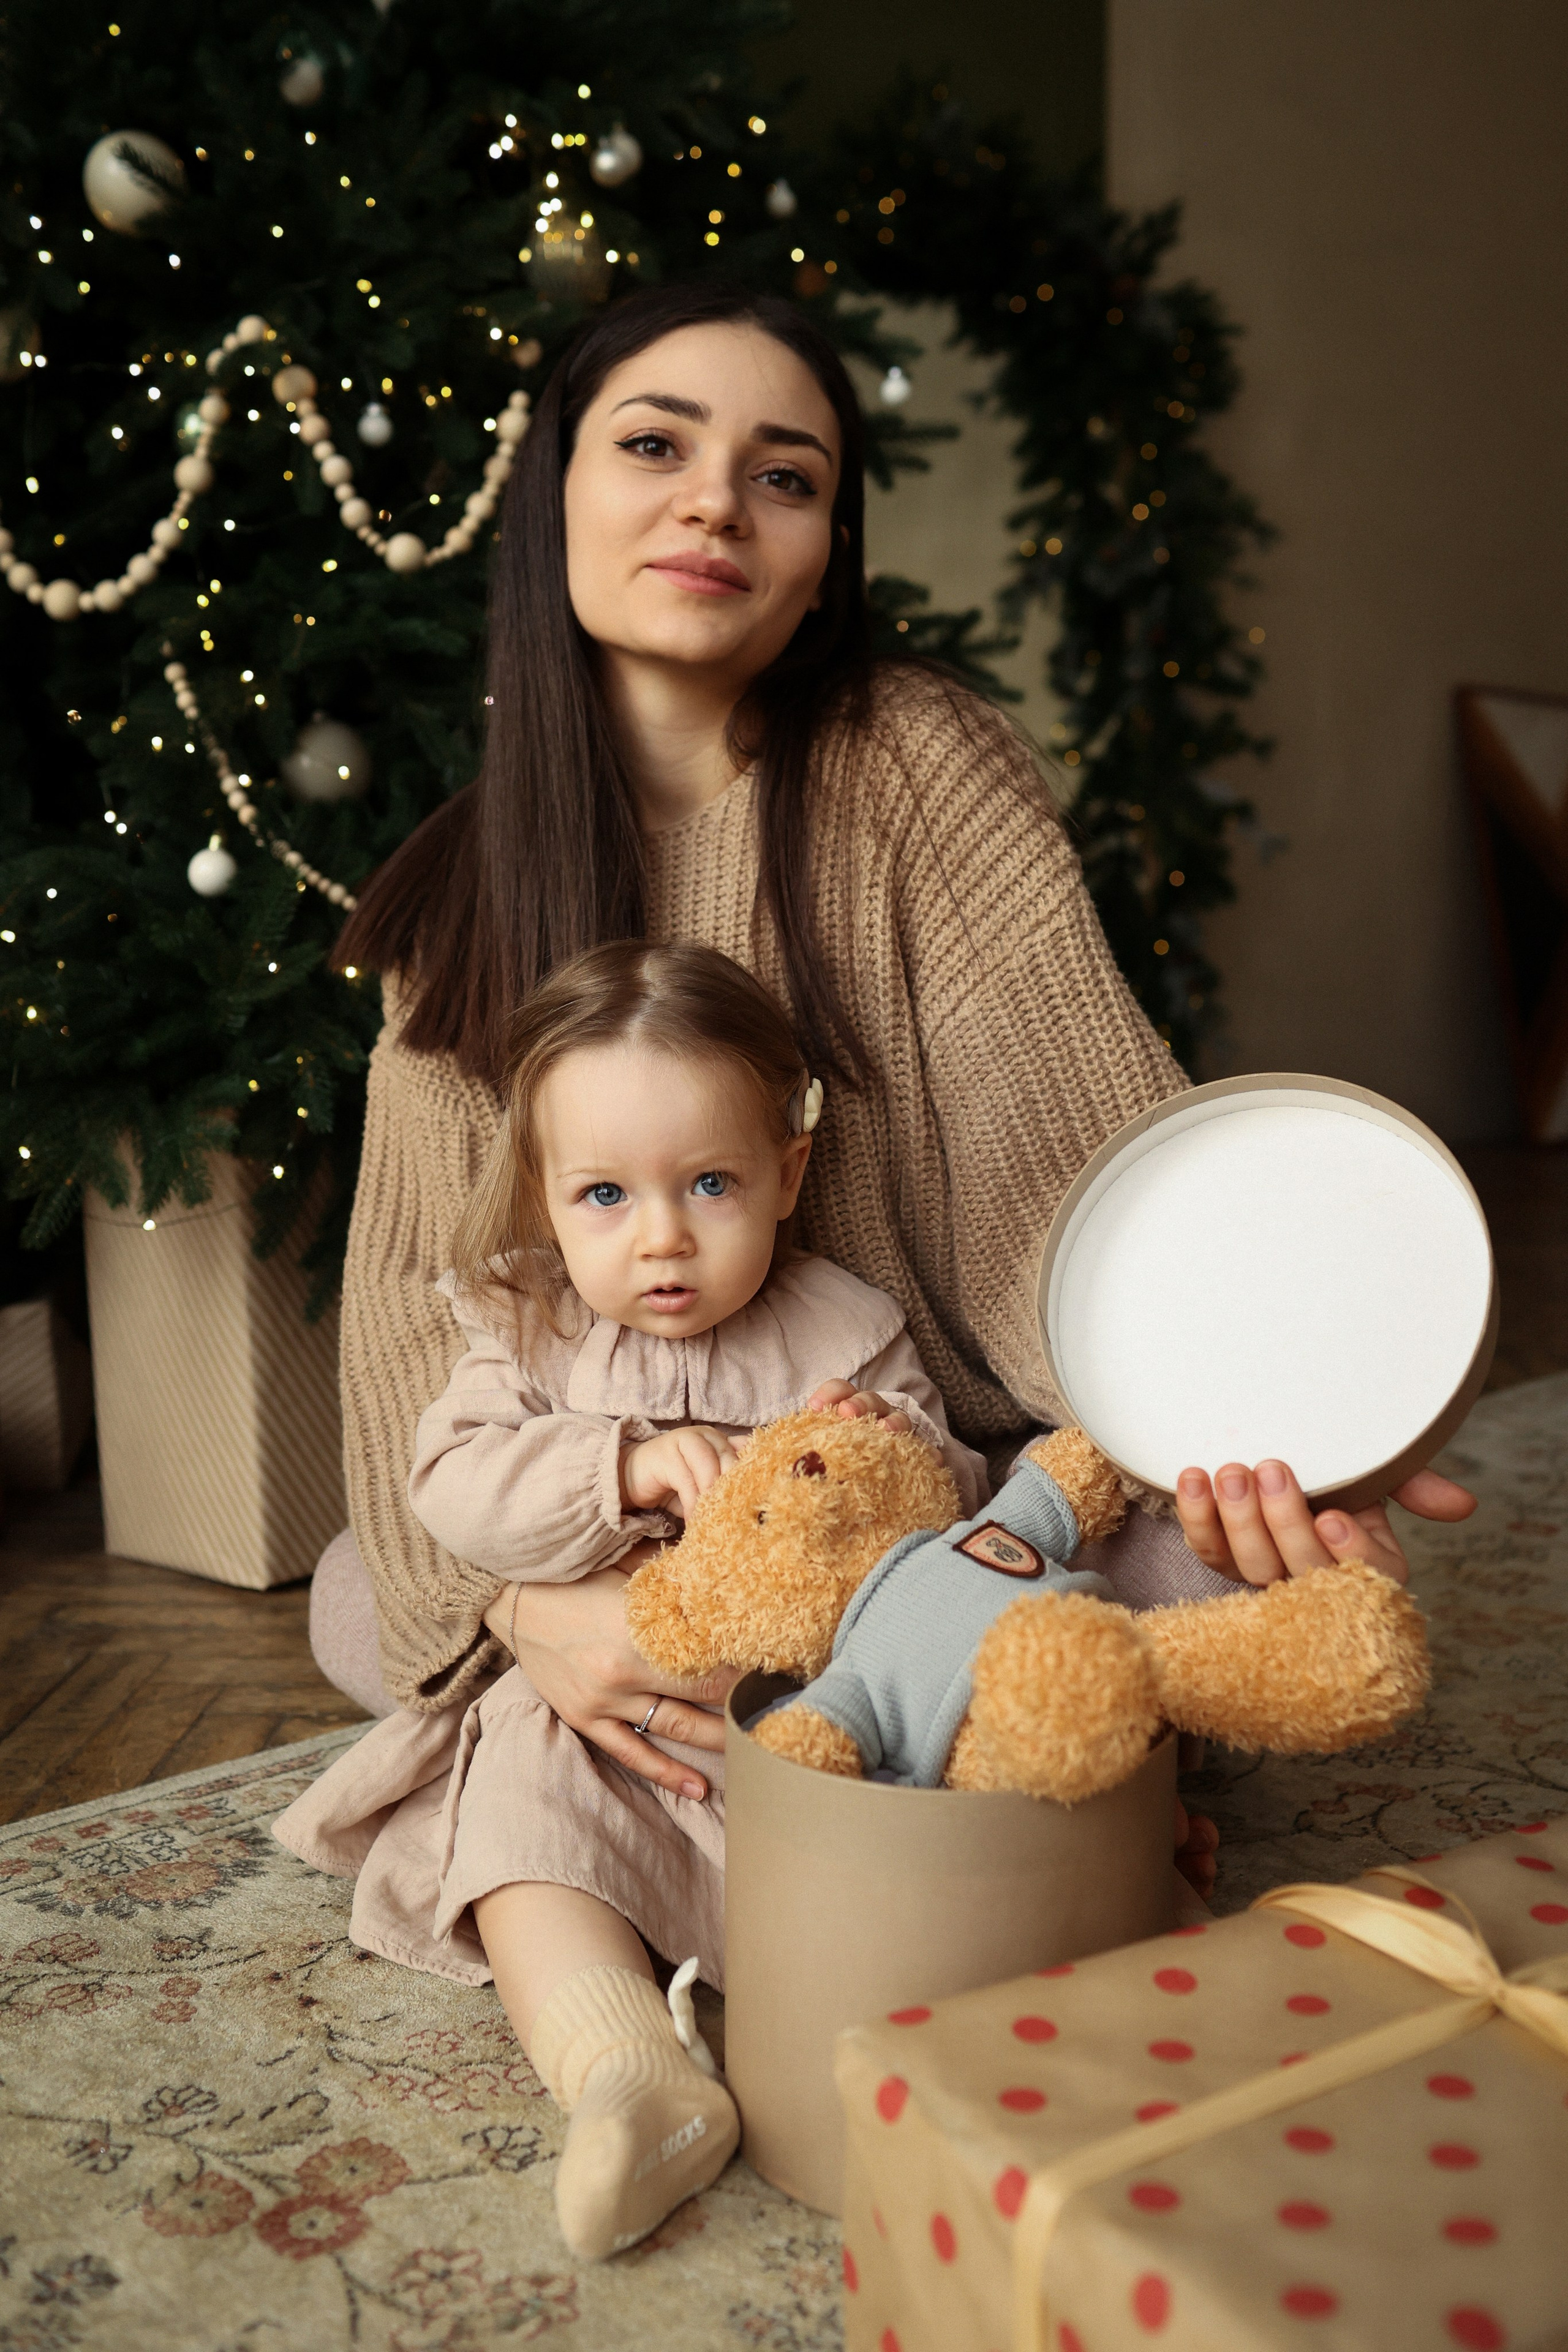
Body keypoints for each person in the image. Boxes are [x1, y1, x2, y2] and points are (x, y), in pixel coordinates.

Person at [308, 277, 1472, 2002]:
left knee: (1188, 1563)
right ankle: (986, 1758)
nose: (717, 503)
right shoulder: (455, 901)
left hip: (945, 1501)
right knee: (364, 1592)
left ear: (823, 555)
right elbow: (418, 1332)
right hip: (641, 1525)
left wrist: (1275, 1413)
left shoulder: (916, 763)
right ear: (554, 493)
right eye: (655, 447)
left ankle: (889, 1726)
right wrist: (529, 1621)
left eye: (783, 476)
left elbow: (1081, 1160)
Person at [277, 939, 993, 2257]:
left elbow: (945, 1504)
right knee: (516, 1804)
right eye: (604, 1195)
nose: (661, 1236)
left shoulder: (842, 1329)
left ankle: (889, 1978)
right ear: (544, 1200)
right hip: (588, 1716)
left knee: (909, 1797)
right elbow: (447, 1484)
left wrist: (877, 1459)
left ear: (787, 1175)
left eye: (710, 1184)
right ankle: (623, 2071)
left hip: (781, 1718)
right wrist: (615, 1465)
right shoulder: (526, 1326)